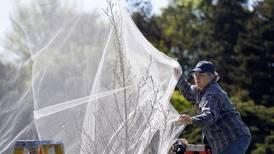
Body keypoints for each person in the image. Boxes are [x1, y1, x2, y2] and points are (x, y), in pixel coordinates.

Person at [175, 61, 251, 154]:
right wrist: (178, 76)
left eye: (201, 75)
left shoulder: (212, 93)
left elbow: (209, 117)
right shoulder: (200, 89)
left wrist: (191, 119)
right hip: (225, 141)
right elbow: (187, 92)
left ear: (211, 76)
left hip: (234, 138)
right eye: (195, 74)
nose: (197, 77)